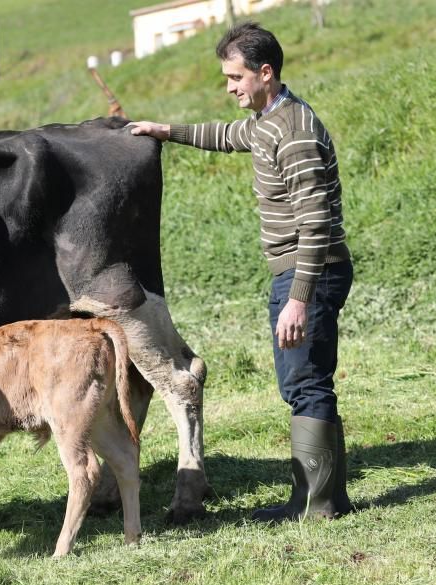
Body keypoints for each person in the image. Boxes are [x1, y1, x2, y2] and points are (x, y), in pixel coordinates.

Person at [130, 22, 353, 522]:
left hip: (307, 272)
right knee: (310, 379)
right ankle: (326, 498)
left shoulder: (294, 131)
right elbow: (227, 136)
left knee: (303, 383)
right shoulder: (269, 120)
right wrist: (164, 131)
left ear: (265, 73)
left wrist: (298, 297)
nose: (229, 87)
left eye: (235, 77)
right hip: (302, 272)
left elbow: (315, 223)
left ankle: (314, 505)